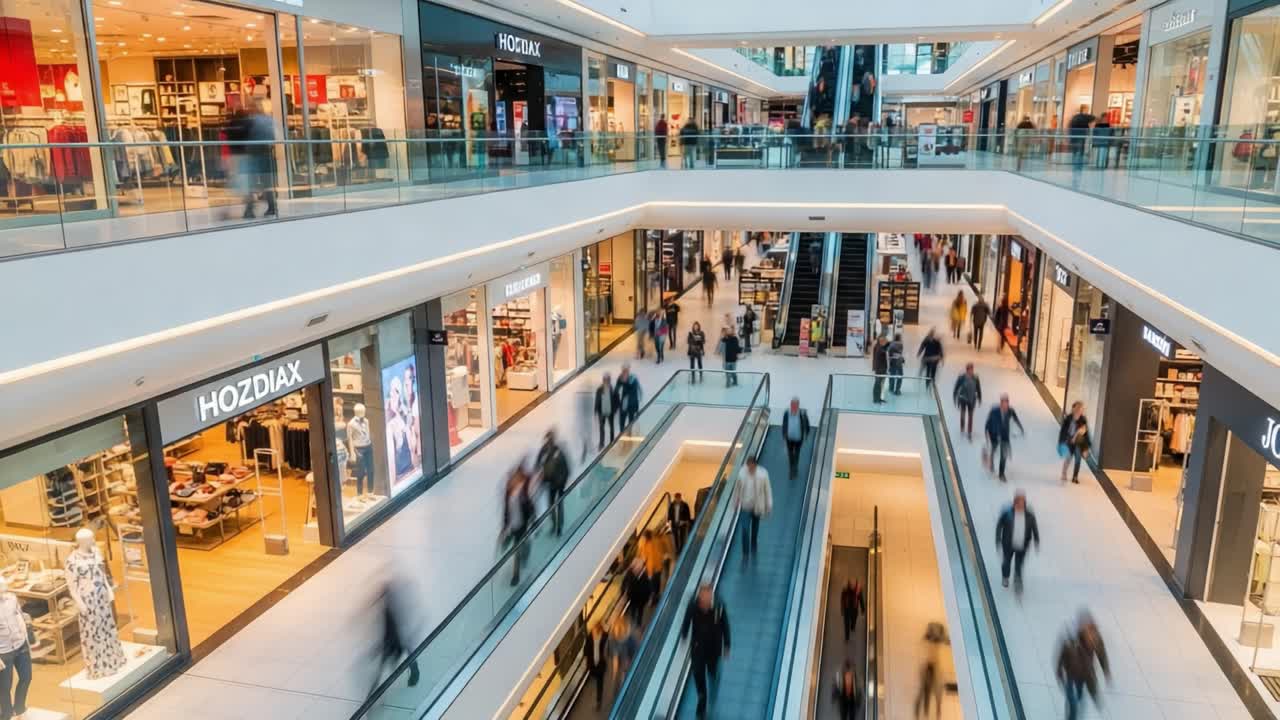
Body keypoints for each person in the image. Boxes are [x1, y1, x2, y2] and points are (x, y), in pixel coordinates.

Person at [682, 584, 731, 719]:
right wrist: (684, 634)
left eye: (708, 598)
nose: (706, 602)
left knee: (713, 674)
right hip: (698, 649)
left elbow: (725, 625)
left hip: (713, 649)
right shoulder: (693, 606)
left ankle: (714, 680)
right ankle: (701, 708)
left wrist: (727, 644)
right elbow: (686, 621)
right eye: (703, 599)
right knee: (698, 676)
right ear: (699, 597)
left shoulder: (719, 606)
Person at [368, 577, 420, 696]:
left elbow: (391, 629)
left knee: (382, 668)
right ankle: (372, 695)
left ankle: (372, 696)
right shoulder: (393, 607)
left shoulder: (390, 610)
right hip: (395, 641)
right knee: (384, 667)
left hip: (393, 642)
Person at [1056, 612, 1111, 720]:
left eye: (1092, 631)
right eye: (1087, 630)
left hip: (1084, 676)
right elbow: (1061, 656)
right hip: (1071, 676)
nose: (1091, 636)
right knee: (1073, 704)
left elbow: (1102, 655)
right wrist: (1059, 672)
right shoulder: (1071, 640)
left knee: (1079, 698)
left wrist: (1106, 671)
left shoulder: (1097, 639)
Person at [995, 490, 1040, 593]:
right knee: (1006, 562)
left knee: (1019, 564)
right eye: (1018, 503)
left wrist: (1037, 540)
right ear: (1014, 503)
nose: (1020, 505)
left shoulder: (1030, 516)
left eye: (1022, 503)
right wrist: (998, 538)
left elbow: (1034, 528)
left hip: (1022, 545)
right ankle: (1005, 576)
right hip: (1008, 544)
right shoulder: (1007, 514)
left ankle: (1018, 582)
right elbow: (999, 526)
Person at [501, 463, 535, 585]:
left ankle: (518, 572)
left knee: (520, 546)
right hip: (513, 526)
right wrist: (505, 526)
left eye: (513, 479)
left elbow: (530, 507)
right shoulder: (509, 493)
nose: (510, 482)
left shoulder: (523, 493)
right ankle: (516, 574)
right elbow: (506, 510)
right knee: (517, 548)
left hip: (522, 525)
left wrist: (531, 519)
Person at [737, 456, 773, 561]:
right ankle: (745, 553)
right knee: (745, 528)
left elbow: (767, 490)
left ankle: (753, 542)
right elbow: (738, 487)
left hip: (757, 505)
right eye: (748, 466)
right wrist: (736, 499)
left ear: (755, 465)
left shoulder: (763, 474)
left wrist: (769, 505)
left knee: (755, 527)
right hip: (745, 506)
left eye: (752, 466)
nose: (750, 469)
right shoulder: (742, 473)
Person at [984, 394, 1025, 481]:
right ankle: (991, 461)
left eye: (1006, 403)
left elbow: (1016, 419)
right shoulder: (994, 411)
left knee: (1004, 455)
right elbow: (989, 422)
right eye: (1003, 403)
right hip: (994, 434)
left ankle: (1001, 474)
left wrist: (1021, 428)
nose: (1005, 406)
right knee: (994, 449)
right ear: (1001, 403)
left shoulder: (1010, 411)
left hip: (1005, 435)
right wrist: (987, 432)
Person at [536, 430, 570, 537]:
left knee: (558, 505)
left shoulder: (558, 452)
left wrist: (561, 482)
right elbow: (537, 464)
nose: (548, 442)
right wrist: (541, 476)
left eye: (549, 440)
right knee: (552, 505)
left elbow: (566, 470)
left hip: (558, 484)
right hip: (550, 483)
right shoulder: (544, 450)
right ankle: (554, 525)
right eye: (547, 440)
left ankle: (558, 526)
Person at [915, 622, 948, 719]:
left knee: (934, 693)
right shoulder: (927, 640)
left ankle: (933, 714)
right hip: (929, 667)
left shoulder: (936, 641)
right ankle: (923, 714)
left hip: (933, 667)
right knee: (925, 691)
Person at [1059, 405, 1092, 484]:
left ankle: (1075, 477)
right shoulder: (1069, 418)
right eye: (1079, 410)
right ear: (1075, 410)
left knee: (1078, 459)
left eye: (1082, 410)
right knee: (1068, 458)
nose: (1081, 412)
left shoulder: (1083, 419)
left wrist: (1087, 446)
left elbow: (1086, 433)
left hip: (1078, 442)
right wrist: (1062, 441)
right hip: (1070, 441)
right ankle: (1064, 473)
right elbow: (1063, 430)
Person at [781, 397, 811, 479]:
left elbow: (807, 425)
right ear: (790, 405)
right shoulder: (786, 413)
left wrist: (806, 435)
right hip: (789, 438)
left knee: (796, 454)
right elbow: (784, 424)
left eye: (795, 405)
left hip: (798, 438)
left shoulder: (802, 414)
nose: (793, 406)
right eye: (792, 404)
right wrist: (784, 434)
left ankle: (795, 468)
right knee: (790, 455)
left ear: (798, 405)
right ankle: (792, 470)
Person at [952, 363, 983, 441]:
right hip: (963, 398)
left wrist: (979, 397)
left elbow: (978, 388)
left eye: (972, 369)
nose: (971, 371)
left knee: (970, 416)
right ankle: (962, 428)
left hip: (972, 399)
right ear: (967, 370)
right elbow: (956, 387)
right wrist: (955, 396)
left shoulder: (975, 378)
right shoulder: (961, 378)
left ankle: (969, 432)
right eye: (969, 369)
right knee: (962, 414)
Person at [609, 614, 640, 689]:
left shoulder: (631, 637)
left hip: (630, 656)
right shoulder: (613, 639)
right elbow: (615, 657)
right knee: (624, 672)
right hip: (624, 659)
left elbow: (635, 649)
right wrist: (615, 674)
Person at [1067, 107, 1096, 187]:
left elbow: (1070, 128)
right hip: (1079, 138)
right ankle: (1078, 167)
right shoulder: (1084, 118)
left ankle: (1076, 168)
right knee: (1079, 153)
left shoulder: (1075, 118)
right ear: (1083, 110)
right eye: (1086, 110)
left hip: (1074, 138)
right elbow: (1093, 118)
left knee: (1075, 152)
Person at [584, 622, 609, 710]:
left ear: (599, 631)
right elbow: (586, 650)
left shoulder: (605, 637)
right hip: (592, 664)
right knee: (595, 677)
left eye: (596, 631)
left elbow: (608, 649)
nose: (594, 633)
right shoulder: (590, 637)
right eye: (593, 631)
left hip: (601, 664)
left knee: (600, 682)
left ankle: (599, 701)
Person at [622, 556, 652, 626]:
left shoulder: (644, 575)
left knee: (639, 611)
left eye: (635, 565)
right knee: (634, 610)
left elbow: (648, 587)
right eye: (633, 566)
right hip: (633, 598)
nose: (635, 568)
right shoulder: (630, 574)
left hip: (641, 599)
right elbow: (624, 585)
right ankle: (635, 620)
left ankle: (638, 622)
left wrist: (648, 597)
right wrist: (624, 593)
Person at [638, 528, 669, 594]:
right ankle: (657, 593)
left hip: (651, 568)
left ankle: (655, 594)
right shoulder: (655, 540)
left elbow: (644, 558)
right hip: (658, 565)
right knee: (657, 581)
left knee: (653, 583)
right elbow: (661, 548)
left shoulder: (644, 544)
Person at [594, 373, 617, 449]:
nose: (606, 381)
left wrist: (614, 410)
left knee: (611, 427)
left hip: (610, 411)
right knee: (601, 428)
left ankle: (612, 441)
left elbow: (615, 400)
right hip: (602, 411)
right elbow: (597, 400)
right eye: (605, 380)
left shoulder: (612, 389)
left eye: (607, 380)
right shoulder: (599, 389)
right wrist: (596, 410)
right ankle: (601, 443)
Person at [840, 578, 865, 642]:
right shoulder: (845, 590)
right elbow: (842, 600)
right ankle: (847, 638)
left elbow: (861, 600)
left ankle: (853, 626)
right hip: (847, 609)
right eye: (851, 585)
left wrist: (863, 609)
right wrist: (842, 609)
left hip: (854, 609)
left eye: (853, 585)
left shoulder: (858, 591)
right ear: (849, 584)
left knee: (854, 620)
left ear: (856, 585)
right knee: (846, 624)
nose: (852, 586)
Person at [871, 335, 889, 404]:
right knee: (877, 384)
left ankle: (879, 398)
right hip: (880, 369)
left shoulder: (879, 347)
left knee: (880, 384)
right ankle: (876, 399)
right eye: (885, 341)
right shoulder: (879, 348)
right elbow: (881, 355)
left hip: (882, 368)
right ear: (881, 341)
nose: (886, 342)